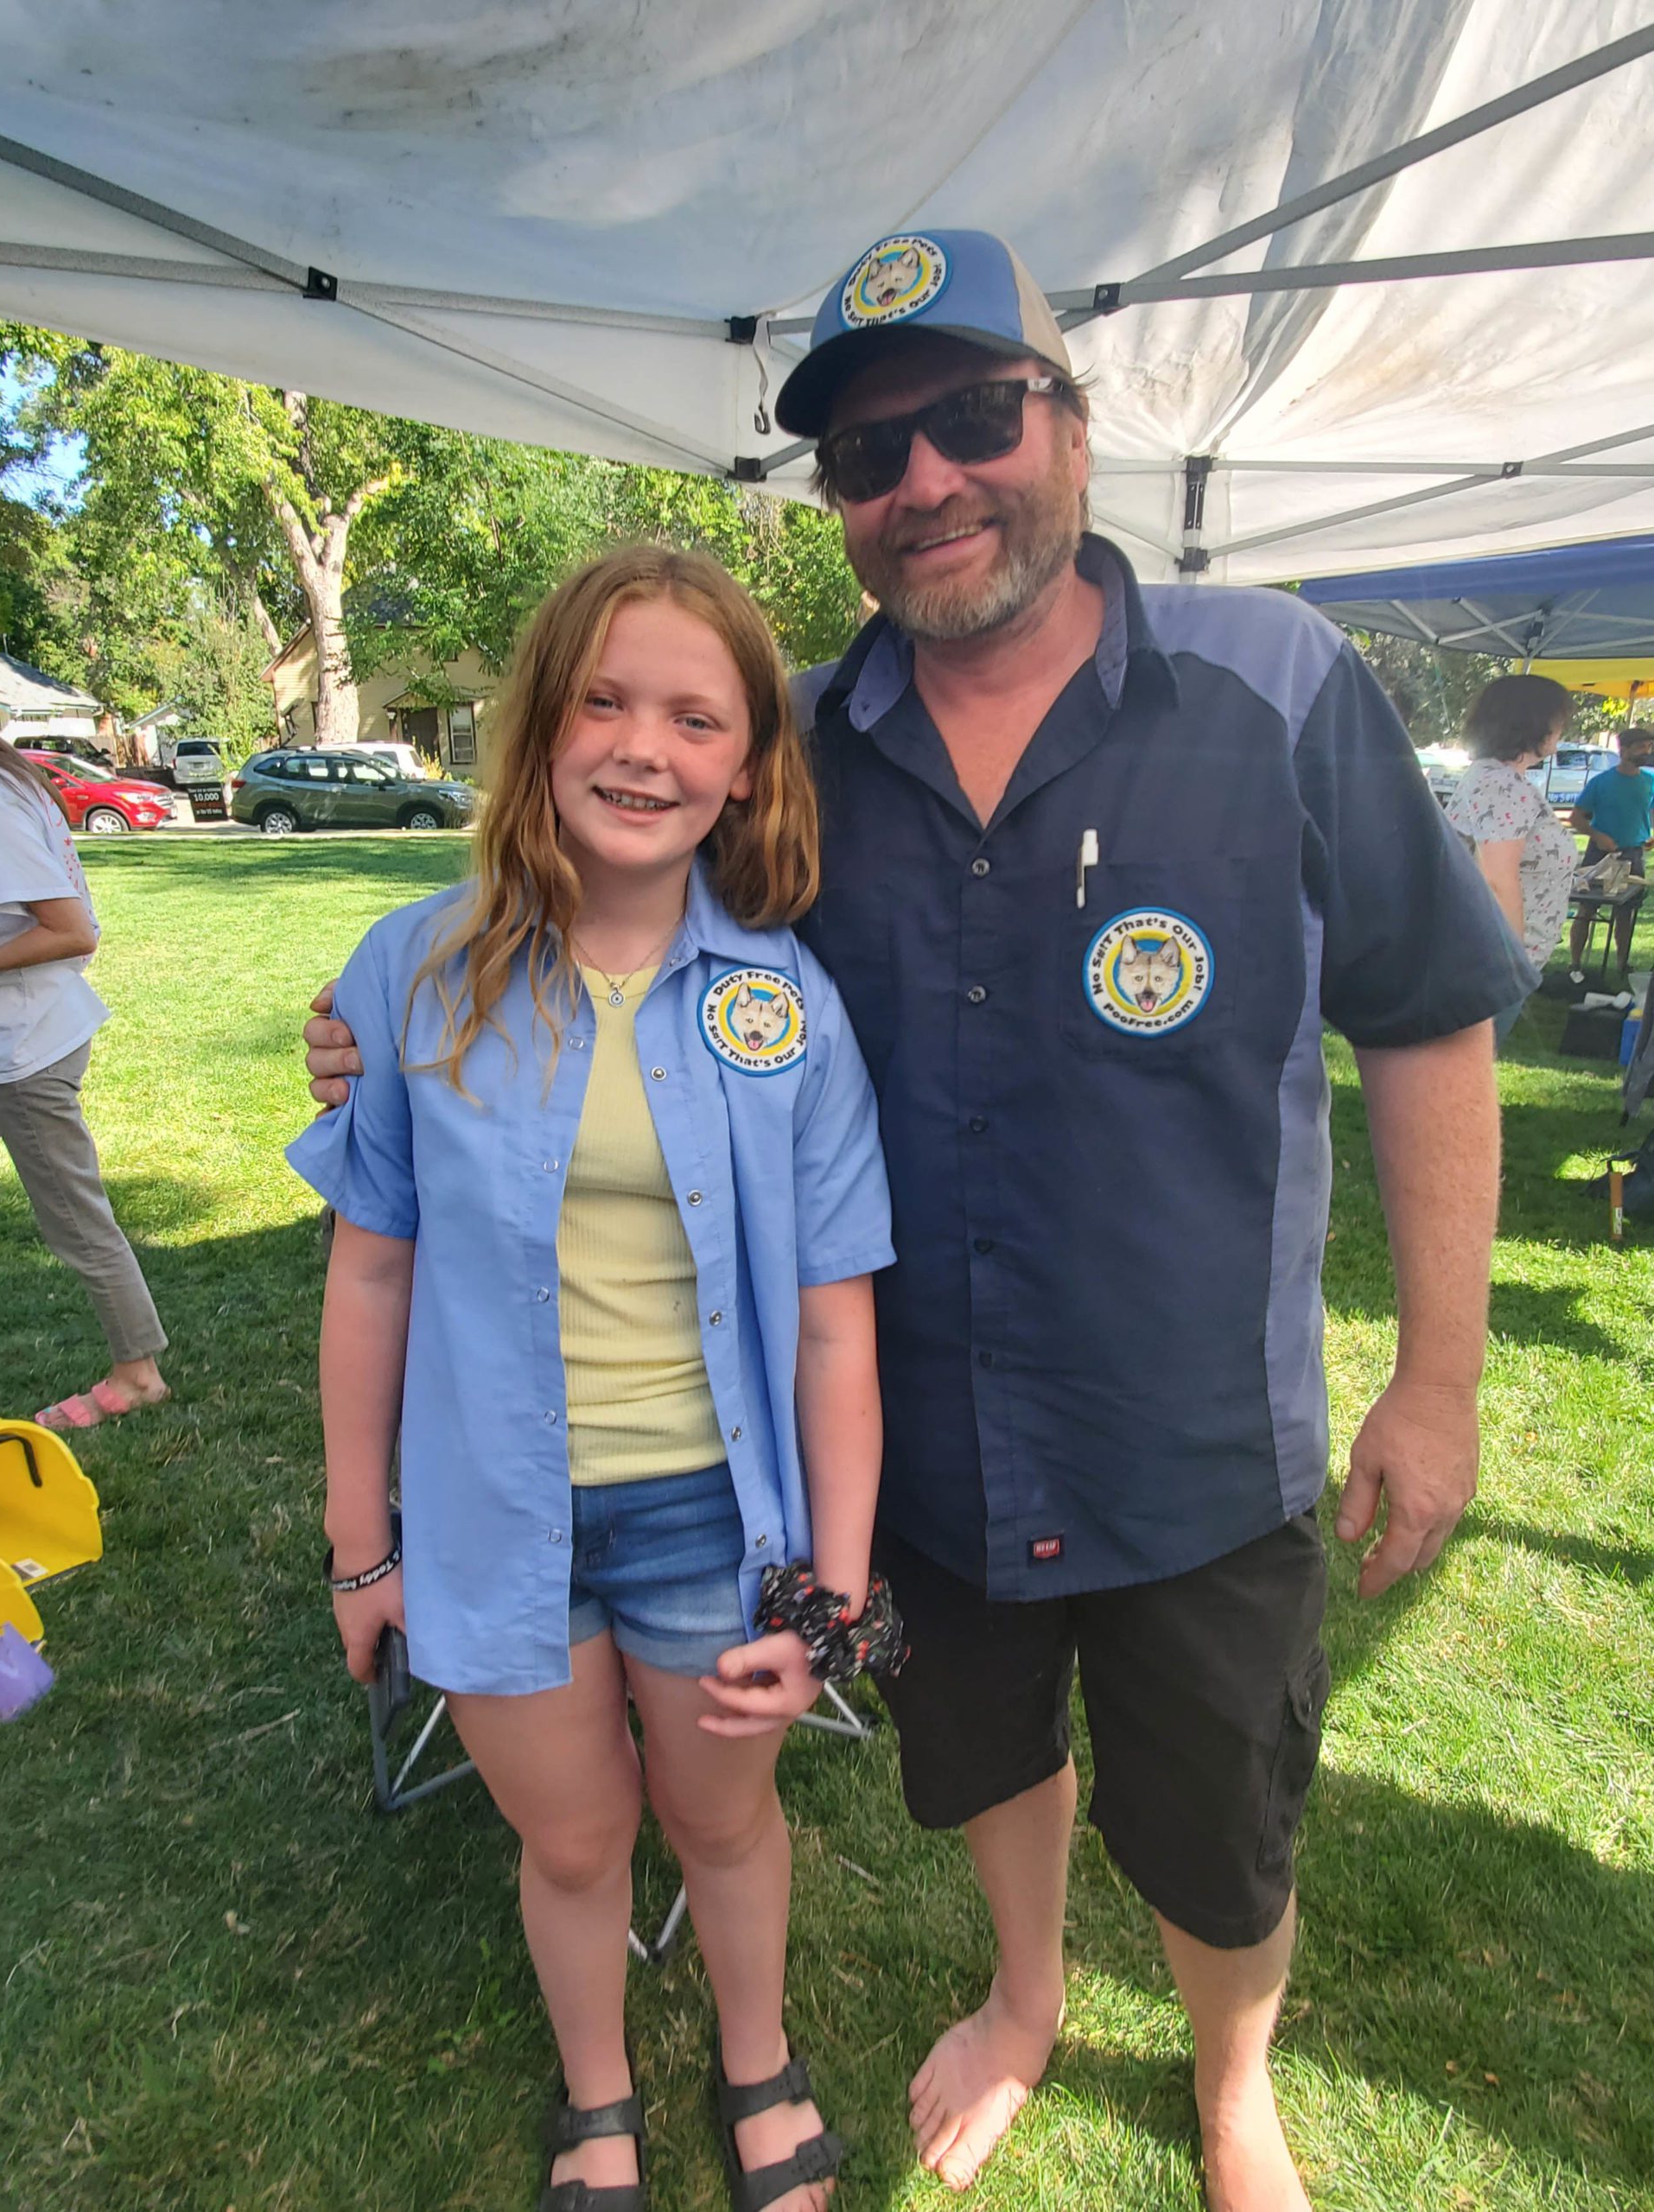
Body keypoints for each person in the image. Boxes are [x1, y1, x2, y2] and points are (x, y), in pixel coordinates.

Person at [307, 231, 1530, 2211]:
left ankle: (1231, 2083)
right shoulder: (780, 746)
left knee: (1220, 1813)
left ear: (1066, 420)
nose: (927, 480)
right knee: (982, 1762)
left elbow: (1428, 1012)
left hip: (1195, 1430)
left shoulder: (1274, 680)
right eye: (871, 452)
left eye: (973, 417)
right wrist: (385, 1025)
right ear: (836, 502)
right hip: (920, 1440)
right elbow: (601, 930)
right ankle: (1029, 1987)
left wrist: (1443, 1374)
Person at [287, 547, 898, 2212]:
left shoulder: (785, 1003)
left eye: (698, 717)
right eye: (606, 701)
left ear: (745, 768)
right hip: (499, 1518)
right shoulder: (413, 972)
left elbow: (836, 1321)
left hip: (714, 1519)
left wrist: (832, 1589)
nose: (646, 747)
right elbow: (372, 1269)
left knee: (720, 1830)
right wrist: (364, 1545)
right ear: (540, 724)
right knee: (570, 1844)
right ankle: (598, 2099)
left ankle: (758, 2061)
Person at [0, 732, 169, 1427]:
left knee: (74, 1216)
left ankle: (138, 1373)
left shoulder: (0, 798)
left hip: (25, 1049)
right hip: (22, 1035)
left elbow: (72, 930)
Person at [1445, 674, 1576, 1045]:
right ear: (1531, 721)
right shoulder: (1500, 784)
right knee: (1459, 1086)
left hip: (1489, 961)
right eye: (1558, 718)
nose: (1562, 727)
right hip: (1489, 965)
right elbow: (1498, 880)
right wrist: (1513, 966)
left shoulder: (1504, 781)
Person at [1567, 723, 1654, 981]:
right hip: (1600, 855)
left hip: (1634, 853)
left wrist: (1649, 834)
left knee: (1626, 912)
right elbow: (1576, 818)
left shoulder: (1650, 781)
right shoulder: (1601, 782)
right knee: (1587, 910)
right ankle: (1574, 965)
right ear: (1624, 750)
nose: (1646, 751)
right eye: (1641, 747)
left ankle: (1622, 964)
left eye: (1649, 746)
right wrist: (1598, 836)